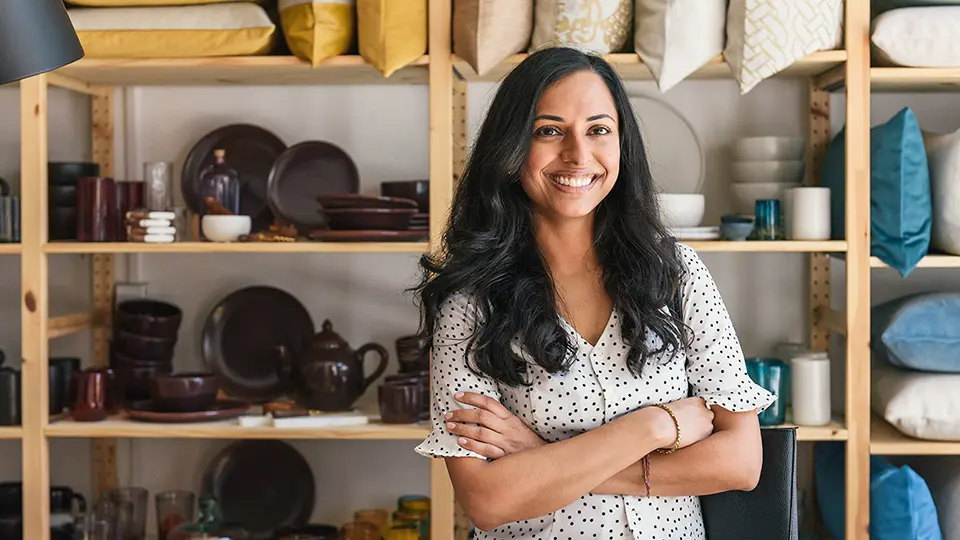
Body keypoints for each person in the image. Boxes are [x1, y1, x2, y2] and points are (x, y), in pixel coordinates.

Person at [409, 46, 776, 540]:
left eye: (598, 130)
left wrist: (540, 458)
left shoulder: (678, 274)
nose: (578, 155)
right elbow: (487, 500)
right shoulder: (470, 301)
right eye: (549, 130)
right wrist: (652, 428)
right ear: (512, 147)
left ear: (622, 144)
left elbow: (741, 461)